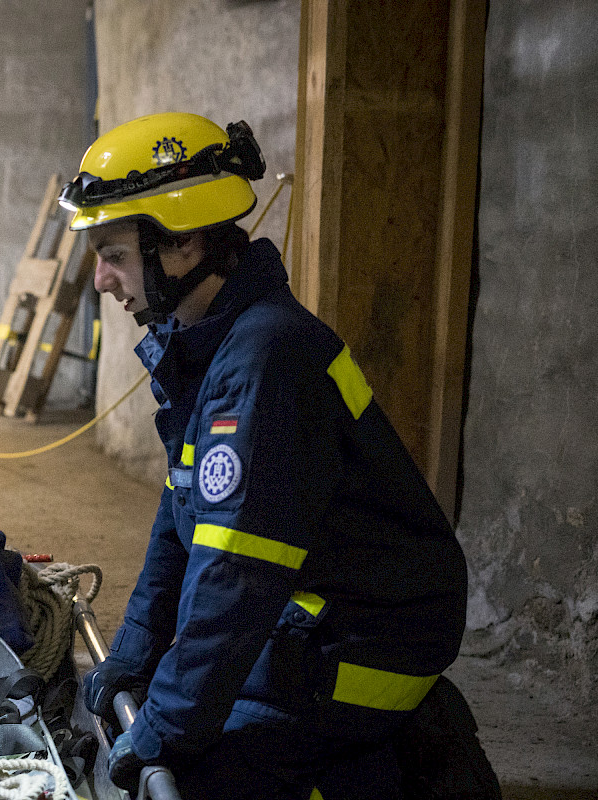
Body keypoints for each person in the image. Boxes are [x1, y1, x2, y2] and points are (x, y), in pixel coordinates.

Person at [61, 112, 470, 798]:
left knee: (196, 769)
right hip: (317, 609)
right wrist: (132, 655)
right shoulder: (211, 340)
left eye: (114, 254)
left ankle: (380, 768)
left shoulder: (265, 361)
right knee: (175, 701)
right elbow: (182, 523)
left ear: (184, 244)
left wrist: (163, 728)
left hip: (365, 643)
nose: (101, 280)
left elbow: (235, 579)